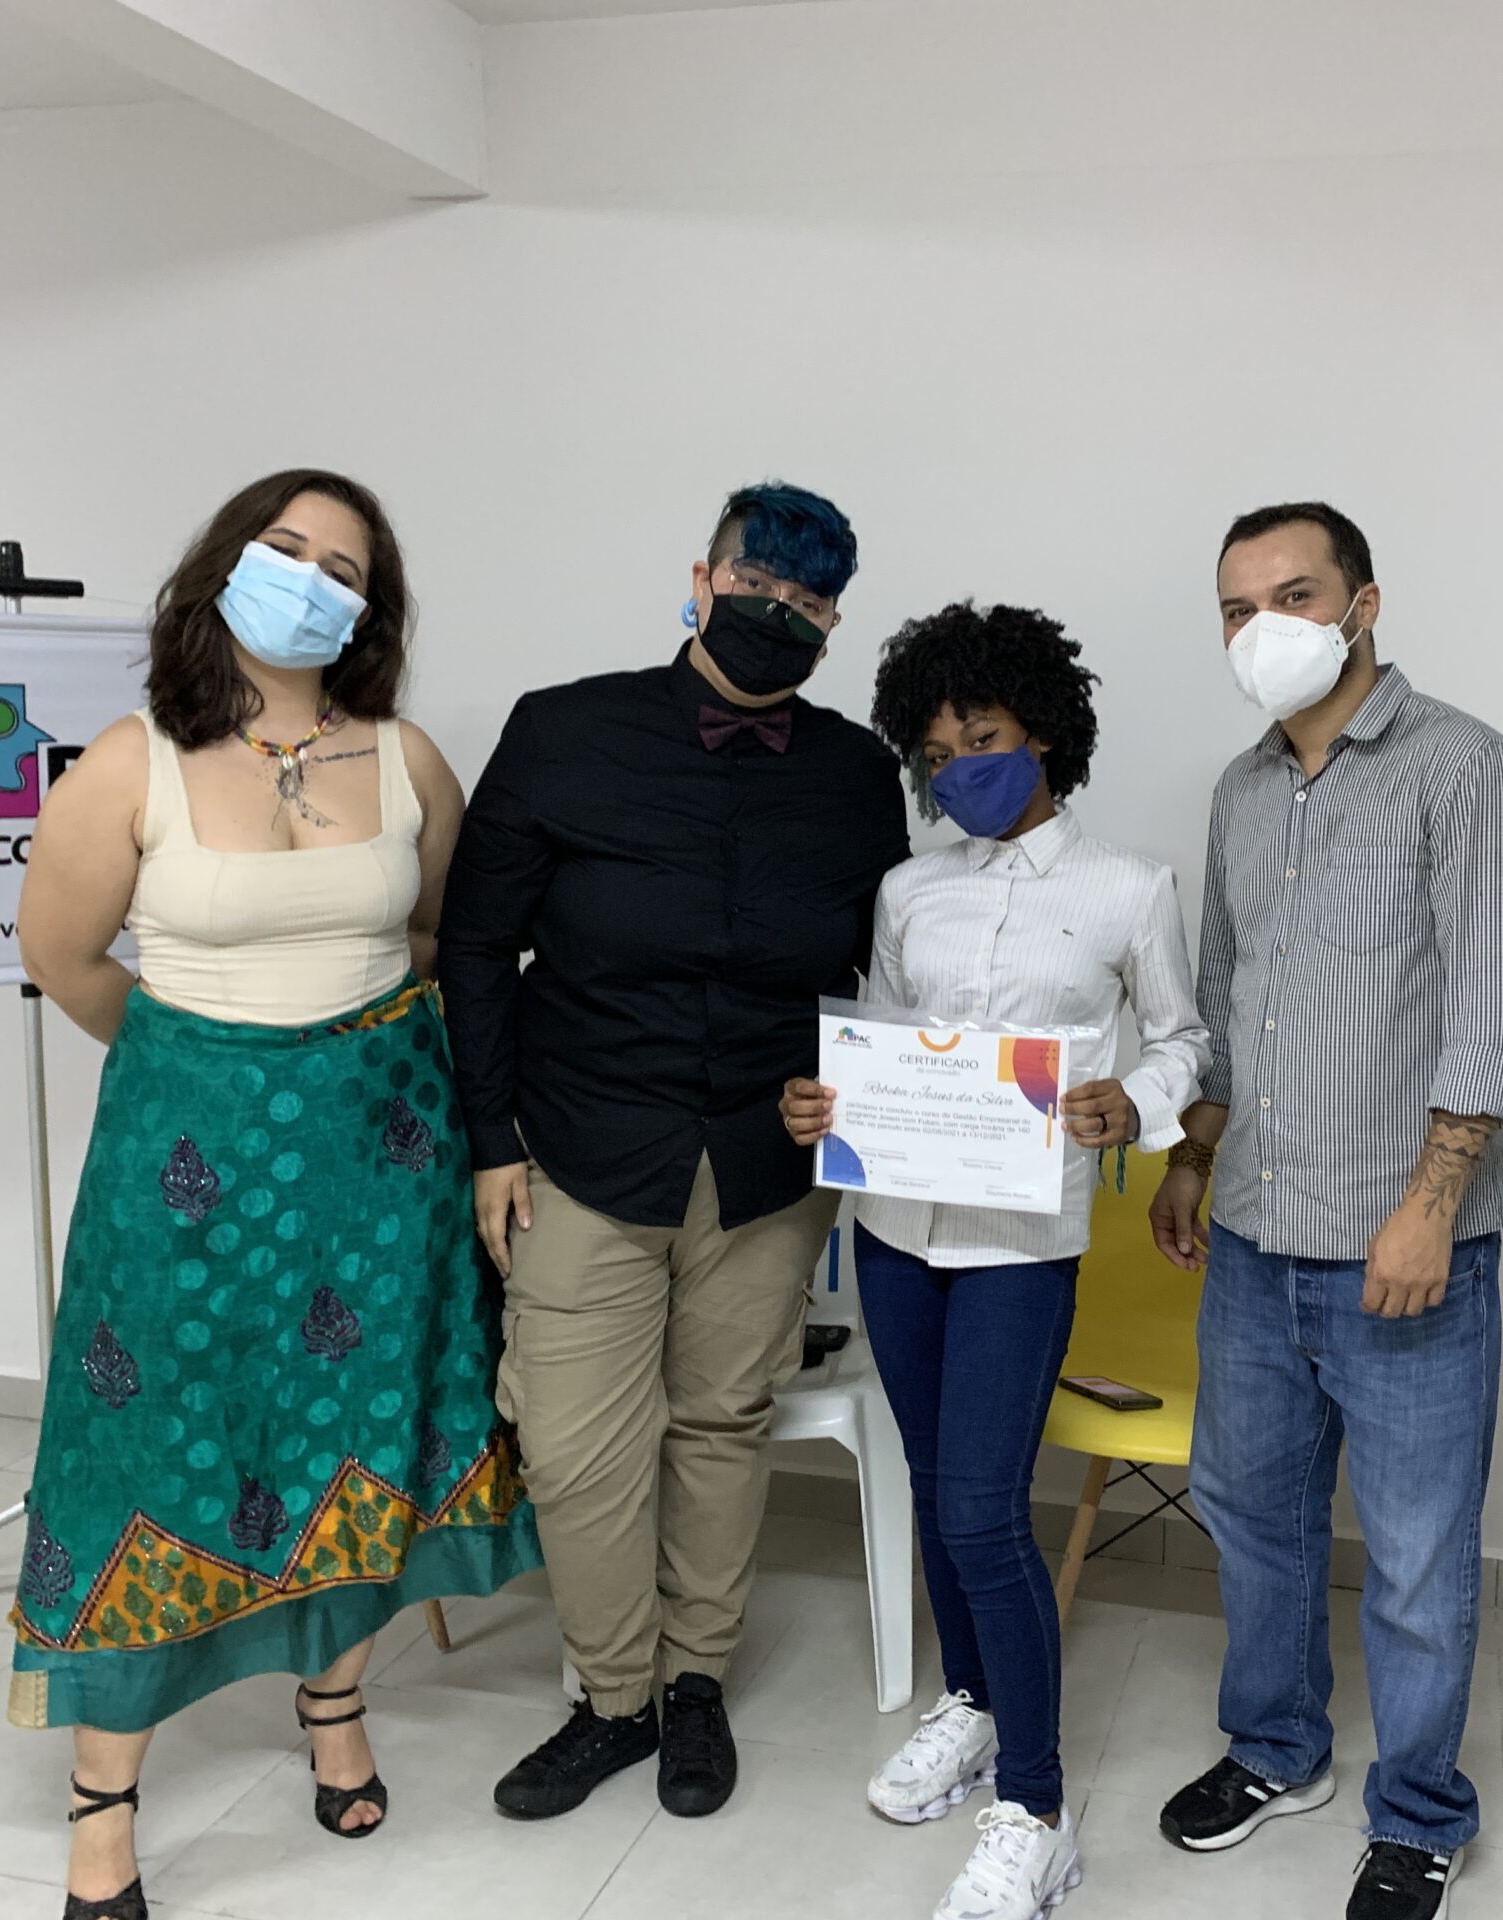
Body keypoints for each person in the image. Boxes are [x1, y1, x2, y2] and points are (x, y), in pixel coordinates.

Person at [13, 468, 542, 1920]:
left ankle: (335, 1707)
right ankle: (104, 1800)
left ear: (370, 612)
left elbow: (437, 940)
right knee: (151, 1451)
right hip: (184, 1181)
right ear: (224, 566)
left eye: (343, 568)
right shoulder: (130, 761)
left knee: (357, 1434)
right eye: (285, 548)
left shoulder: (408, 758)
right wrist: (211, 1076)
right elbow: (64, 957)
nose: (310, 580)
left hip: (380, 1169)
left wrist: (344, 1062)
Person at [440, 481, 909, 1823]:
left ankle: (694, 1681)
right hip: (579, 1146)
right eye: (760, 586)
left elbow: (880, 972)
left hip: (765, 1166)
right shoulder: (563, 730)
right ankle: (613, 1699)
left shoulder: (854, 771)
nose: (783, 614)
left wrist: (866, 1092)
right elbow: (477, 943)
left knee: (722, 1424)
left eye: (813, 602)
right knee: (577, 1447)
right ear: (702, 581)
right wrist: (491, 1141)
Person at [1150, 503, 1503, 1920]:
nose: (1261, 627)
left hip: (1404, 1253)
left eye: (1294, 594)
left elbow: (1498, 1017)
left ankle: (1422, 1812)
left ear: (1362, 605)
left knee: (1418, 1557)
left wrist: (1431, 1206)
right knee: (1250, 1518)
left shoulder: (1465, 769)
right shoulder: (1242, 792)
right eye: (1235, 606)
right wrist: (1192, 1160)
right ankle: (1277, 1750)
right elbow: (1221, 1000)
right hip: (1253, 1242)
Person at [780, 601, 1210, 1920]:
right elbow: (885, 1042)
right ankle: (971, 1705)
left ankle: (1036, 1807)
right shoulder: (909, 890)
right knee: (935, 1488)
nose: (961, 765)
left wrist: (1134, 1103)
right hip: (897, 1232)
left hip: (1023, 1244)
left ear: (1045, 733)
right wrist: (828, 1103)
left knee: (980, 1510)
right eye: (937, 749)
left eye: (984, 737)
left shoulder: (1128, 887)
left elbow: (1185, 1042)